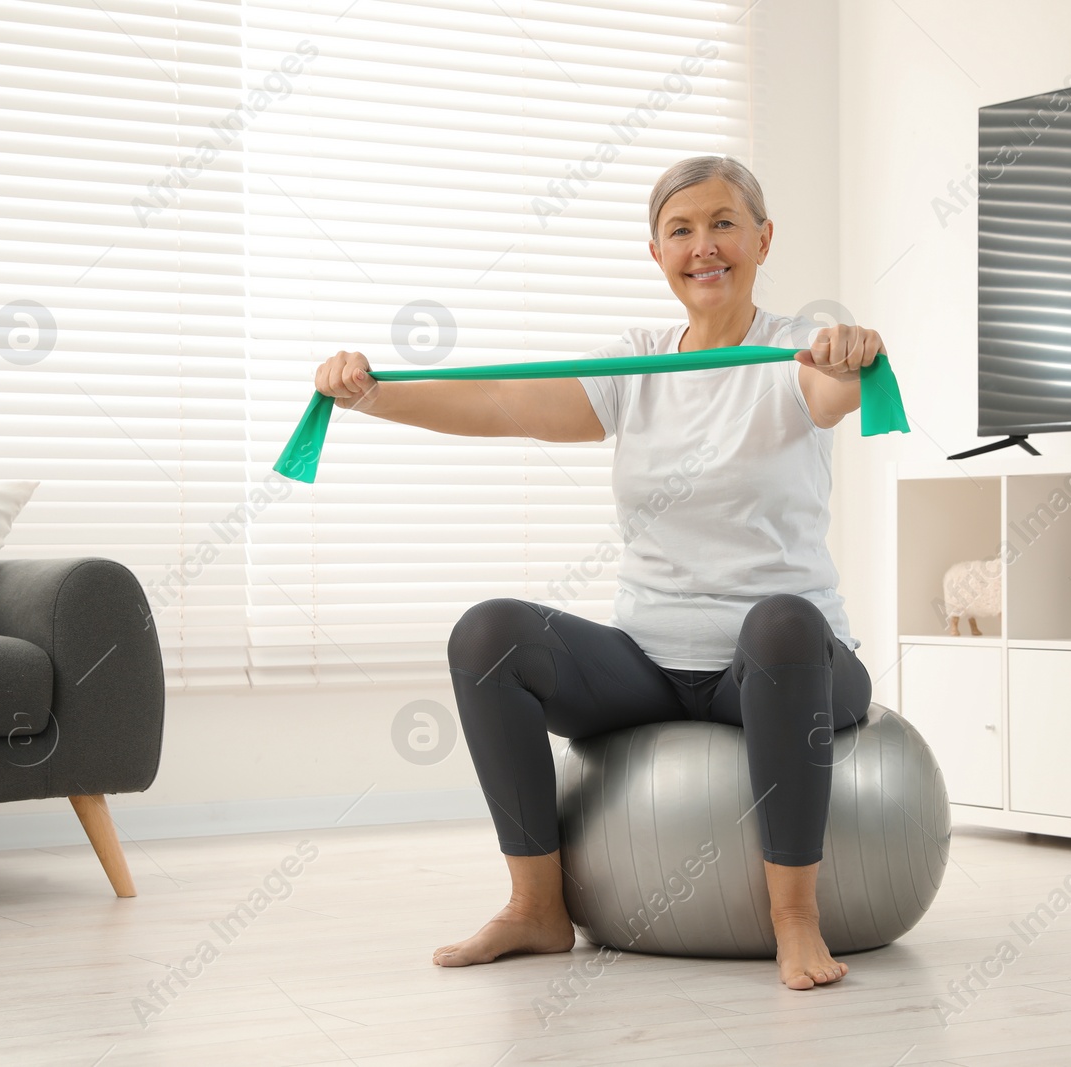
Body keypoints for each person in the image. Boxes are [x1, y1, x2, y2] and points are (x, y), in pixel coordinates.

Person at [315, 155, 885, 990]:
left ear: (763, 239)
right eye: (680, 230)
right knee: (490, 633)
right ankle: (536, 907)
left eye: (724, 224)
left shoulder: (794, 351)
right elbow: (503, 405)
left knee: (782, 617)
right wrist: (367, 395)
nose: (704, 247)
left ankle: (795, 917)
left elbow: (833, 395)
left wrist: (848, 361)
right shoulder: (640, 361)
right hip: (650, 662)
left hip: (786, 665)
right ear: (655, 253)